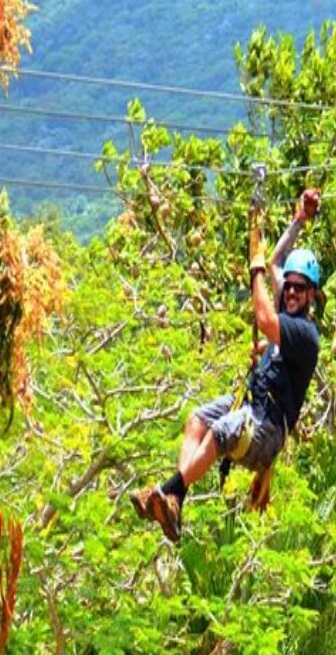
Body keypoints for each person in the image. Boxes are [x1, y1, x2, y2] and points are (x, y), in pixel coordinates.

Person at [131, 188, 322, 542]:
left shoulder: (304, 333)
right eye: (289, 288)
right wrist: (298, 220)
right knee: (198, 419)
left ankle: (170, 490)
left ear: (311, 294)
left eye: (299, 289)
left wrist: (255, 270)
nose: (291, 293)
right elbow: (278, 264)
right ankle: (177, 500)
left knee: (221, 432)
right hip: (252, 407)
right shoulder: (287, 315)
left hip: (267, 428)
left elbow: (264, 315)